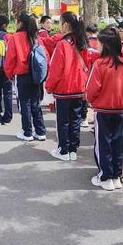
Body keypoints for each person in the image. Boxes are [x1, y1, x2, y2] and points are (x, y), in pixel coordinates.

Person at [86, 27, 123, 191]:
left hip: (103, 110)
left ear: (105, 44)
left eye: (98, 42)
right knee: (117, 143)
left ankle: (105, 176)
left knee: (103, 144)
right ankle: (115, 176)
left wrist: (91, 101)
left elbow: (91, 89)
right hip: (119, 109)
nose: (96, 45)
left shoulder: (99, 63)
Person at [45, 12, 89, 161]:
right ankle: (73, 150)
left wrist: (49, 86)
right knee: (75, 120)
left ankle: (63, 150)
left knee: (63, 121)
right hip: (79, 88)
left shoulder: (62, 44)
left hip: (64, 89)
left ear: (66, 25)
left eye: (60, 23)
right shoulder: (83, 42)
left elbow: (56, 70)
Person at [4, 12, 47, 141]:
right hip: (36, 75)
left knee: (24, 104)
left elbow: (10, 59)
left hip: (22, 75)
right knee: (35, 103)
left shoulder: (15, 37)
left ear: (20, 23)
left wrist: (9, 74)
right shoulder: (36, 37)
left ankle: (27, 132)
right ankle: (40, 131)